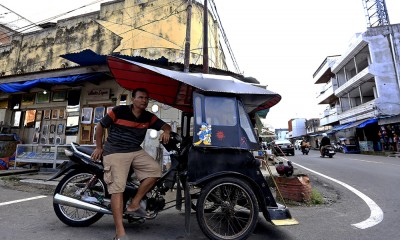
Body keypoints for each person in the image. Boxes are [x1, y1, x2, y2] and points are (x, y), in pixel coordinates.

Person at [91, 88, 171, 240]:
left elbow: (165, 126)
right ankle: (120, 233)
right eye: (140, 97)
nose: (144, 101)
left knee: (155, 171)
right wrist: (99, 147)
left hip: (134, 150)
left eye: (146, 98)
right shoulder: (119, 111)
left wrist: (166, 131)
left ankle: (134, 204)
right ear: (132, 99)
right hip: (115, 151)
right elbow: (100, 126)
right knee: (118, 189)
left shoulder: (148, 117)